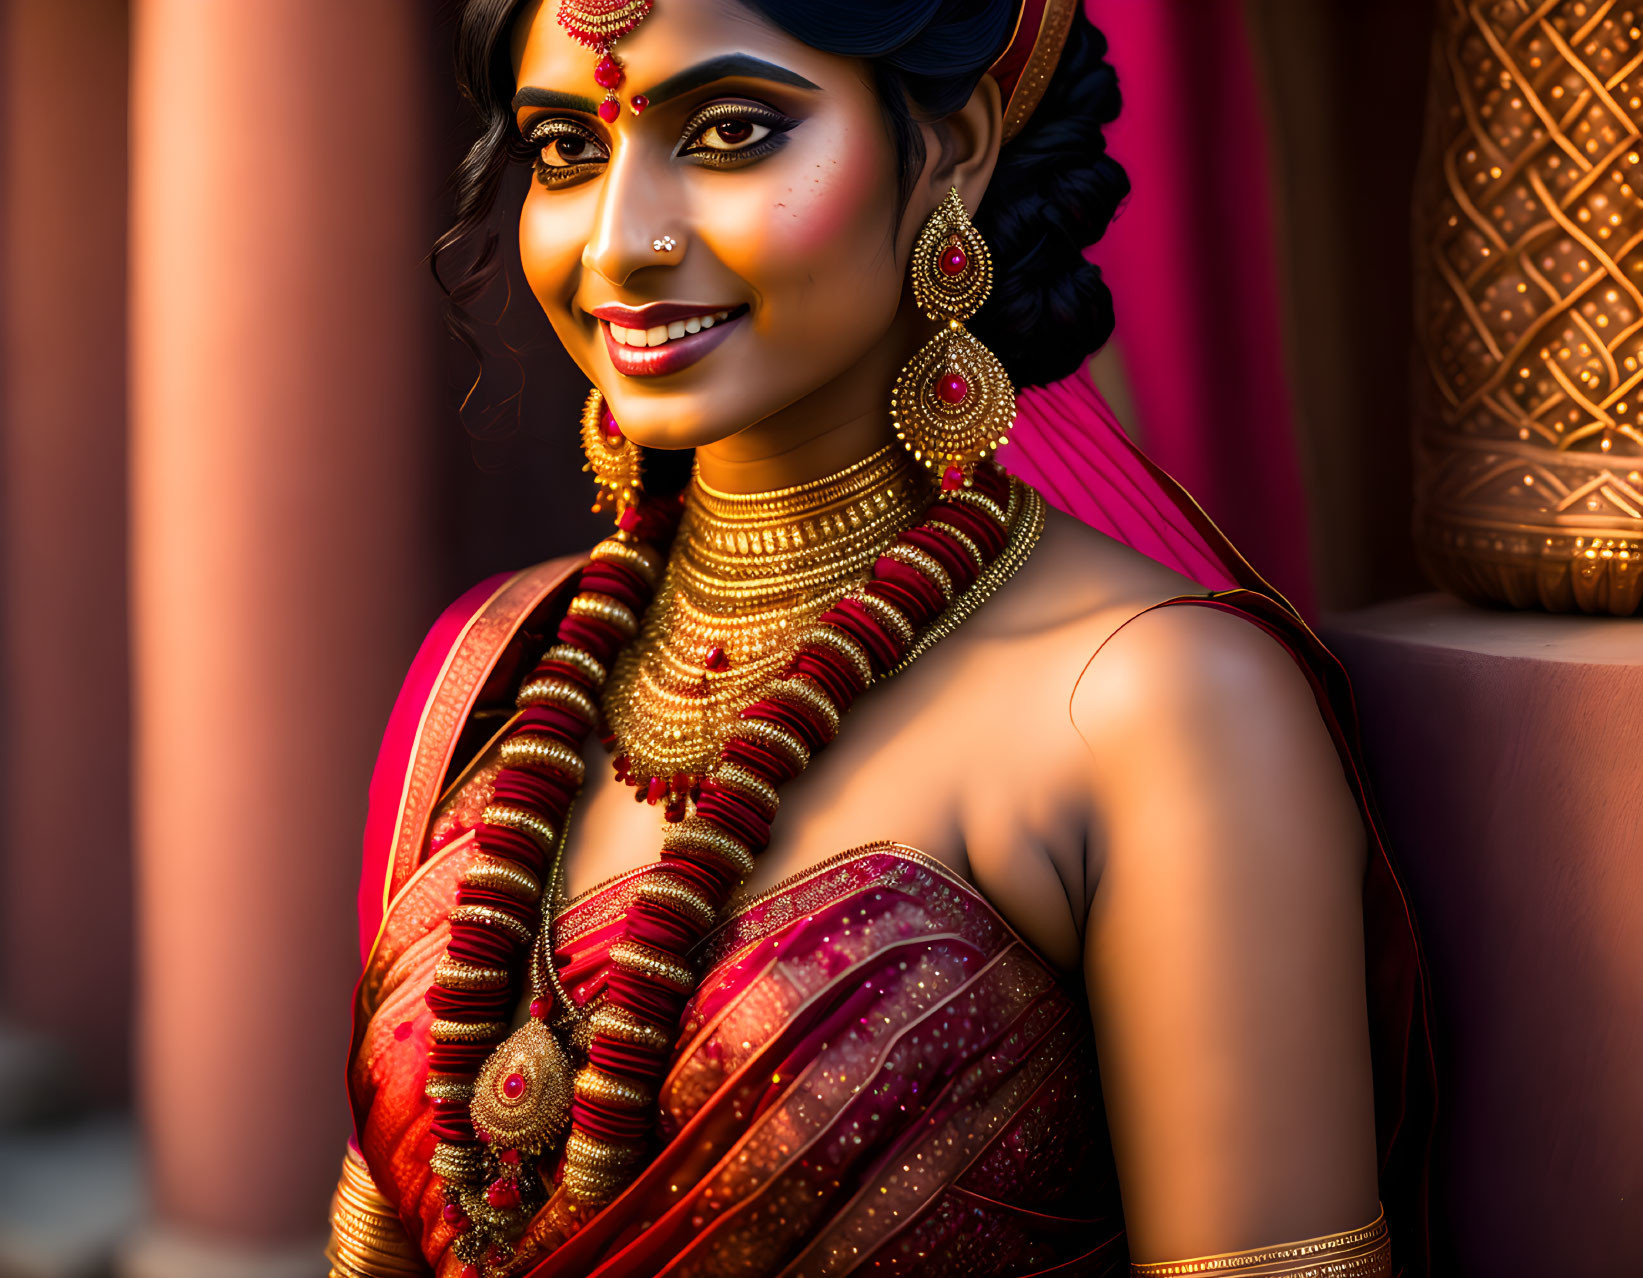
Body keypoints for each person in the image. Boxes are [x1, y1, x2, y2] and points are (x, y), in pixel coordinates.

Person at [329, 2, 1435, 1275]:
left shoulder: (1155, 708)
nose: (623, 243)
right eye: (567, 149)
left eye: (732, 130)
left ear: (954, 145)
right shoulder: (492, 668)